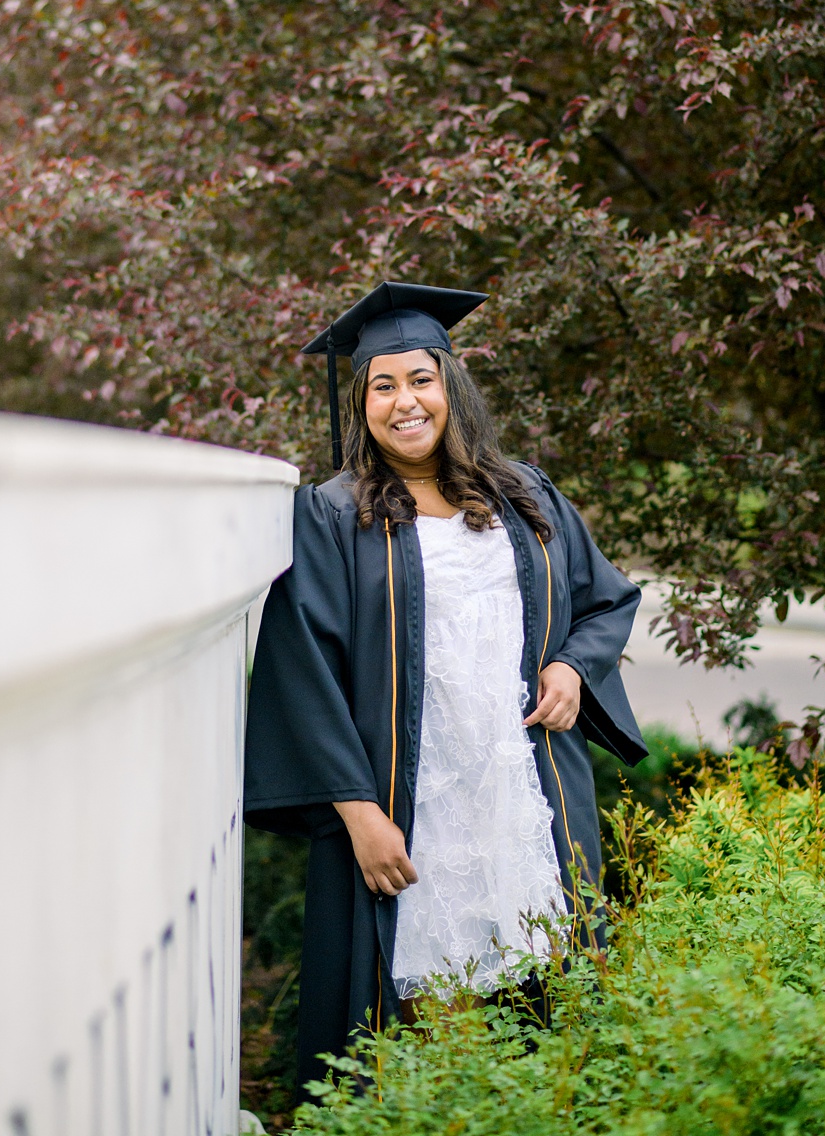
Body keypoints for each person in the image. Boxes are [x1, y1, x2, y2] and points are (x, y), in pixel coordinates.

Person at [244, 282, 646, 1087]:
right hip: (408, 803)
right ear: (359, 403)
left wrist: (571, 666)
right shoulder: (333, 517)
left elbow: (605, 599)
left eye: (419, 379)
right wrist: (358, 814)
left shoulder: (525, 495)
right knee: (417, 1015)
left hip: (520, 790)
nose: (404, 403)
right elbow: (302, 668)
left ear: (450, 385)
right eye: (382, 386)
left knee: (547, 998)